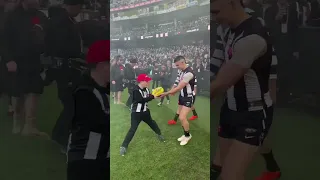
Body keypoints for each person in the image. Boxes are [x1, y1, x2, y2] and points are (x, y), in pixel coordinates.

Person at [210, 2, 281, 180]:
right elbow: (218, 58)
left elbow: (224, 80)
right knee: (222, 167)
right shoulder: (224, 28)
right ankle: (272, 168)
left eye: (215, 12)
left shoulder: (254, 34)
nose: (213, 17)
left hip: (253, 112)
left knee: (227, 174)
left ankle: (272, 167)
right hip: (230, 107)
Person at [67, 40, 110, 180]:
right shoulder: (83, 92)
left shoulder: (106, 89)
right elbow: (98, 124)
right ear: (102, 66)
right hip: (85, 163)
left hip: (103, 159)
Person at [3, 0, 47, 135]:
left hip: (35, 60)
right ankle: (17, 123)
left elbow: (47, 37)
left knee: (34, 91)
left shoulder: (40, 16)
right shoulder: (12, 16)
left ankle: (30, 126)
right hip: (17, 61)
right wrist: (9, 60)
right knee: (18, 93)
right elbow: (4, 40)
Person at [46, 0, 84, 153]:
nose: (79, 9)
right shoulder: (61, 22)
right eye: (78, 6)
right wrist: (79, 54)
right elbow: (61, 47)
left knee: (72, 104)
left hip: (67, 69)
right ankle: (61, 139)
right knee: (71, 105)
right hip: (65, 70)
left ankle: (58, 135)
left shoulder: (66, 20)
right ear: (71, 6)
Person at [120, 74, 165, 156]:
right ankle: (123, 146)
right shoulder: (135, 90)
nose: (148, 82)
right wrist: (153, 97)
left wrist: (156, 95)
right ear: (141, 81)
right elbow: (140, 100)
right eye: (146, 81)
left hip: (145, 112)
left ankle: (159, 134)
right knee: (133, 129)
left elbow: (148, 97)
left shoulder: (146, 89)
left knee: (152, 123)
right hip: (136, 113)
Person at [161, 56, 196, 146]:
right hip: (182, 96)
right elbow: (176, 82)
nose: (177, 67)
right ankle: (185, 134)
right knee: (180, 116)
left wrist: (167, 93)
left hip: (188, 97)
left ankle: (188, 136)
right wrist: (172, 90)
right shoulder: (180, 70)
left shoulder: (189, 73)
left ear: (183, 62)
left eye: (177, 65)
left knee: (182, 117)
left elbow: (180, 86)